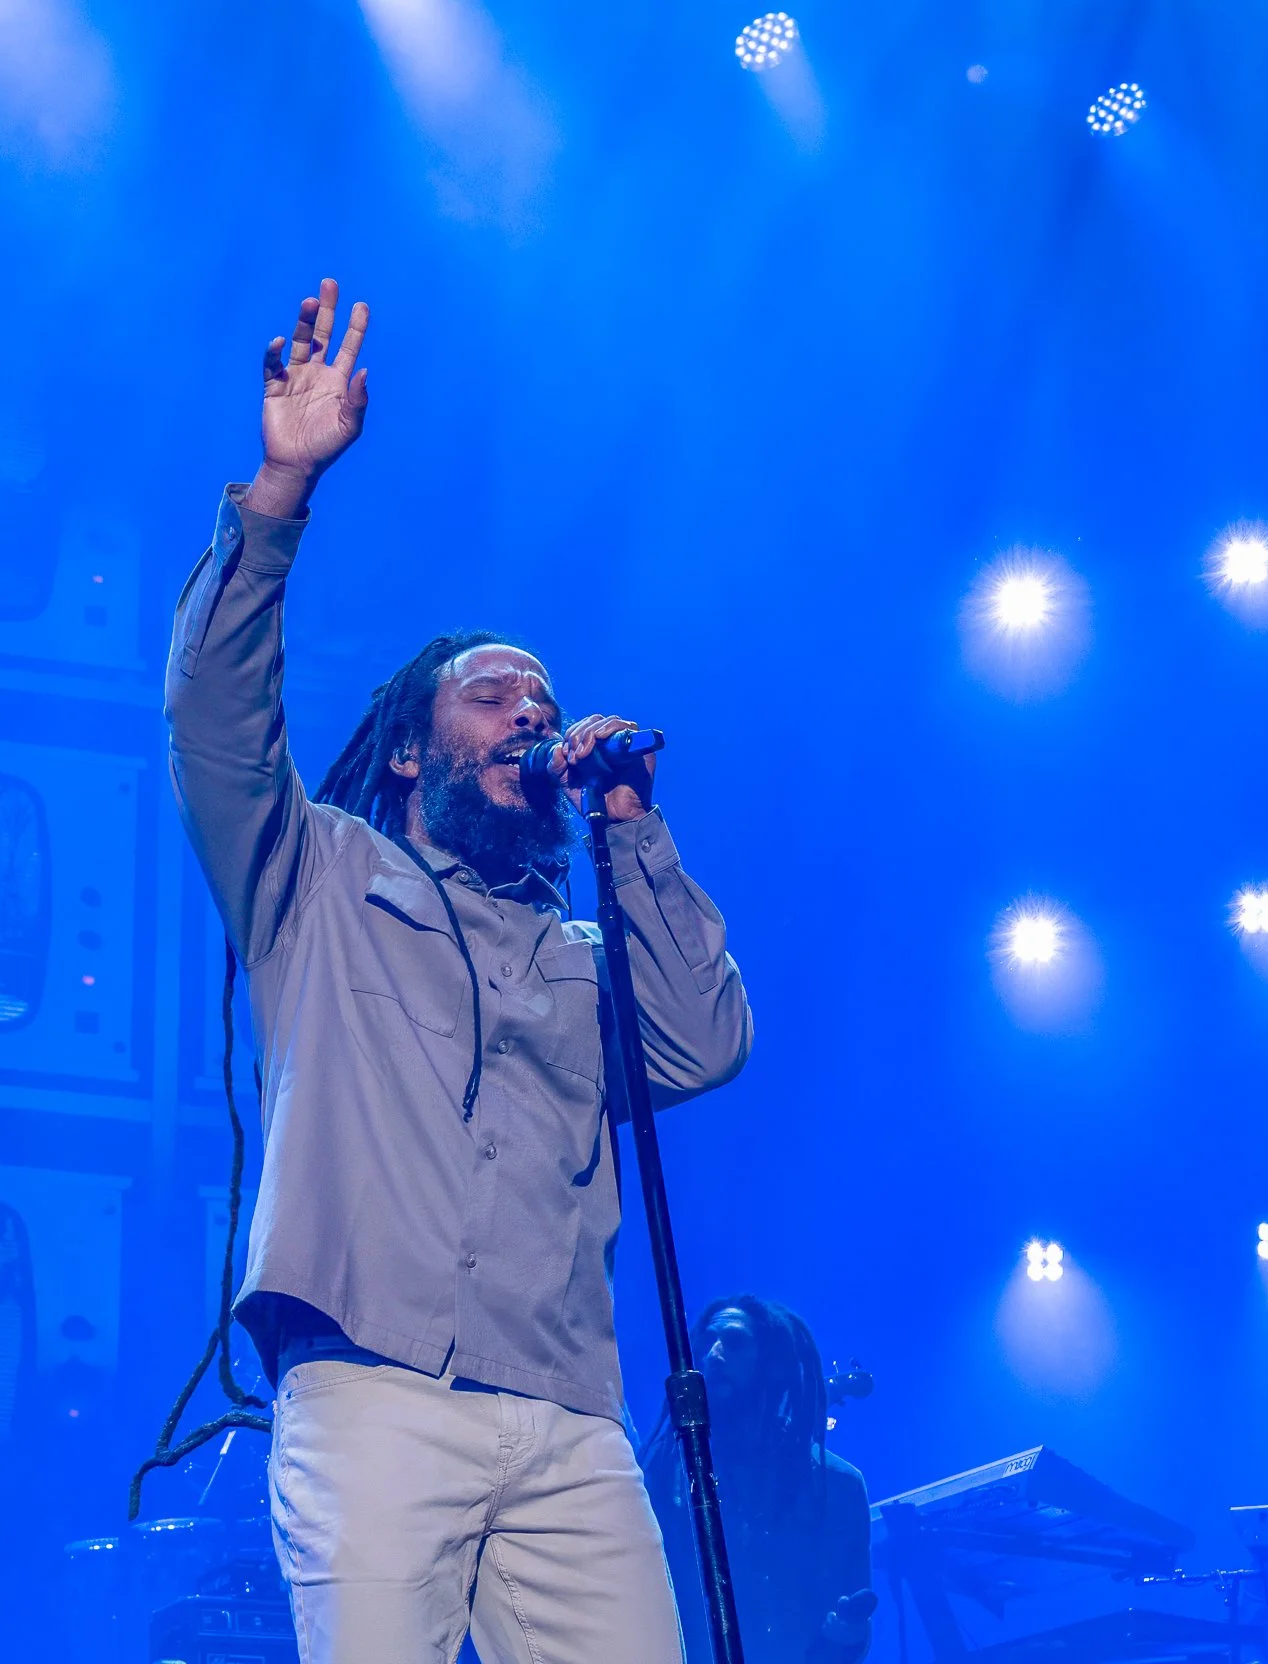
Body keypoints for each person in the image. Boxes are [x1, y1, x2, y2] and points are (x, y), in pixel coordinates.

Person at [165, 277, 754, 1664]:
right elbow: (211, 725)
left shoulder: (579, 947)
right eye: (495, 694)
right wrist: (281, 490)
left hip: (567, 1411)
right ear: (419, 749)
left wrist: (633, 827)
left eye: (542, 700)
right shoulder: (318, 879)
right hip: (374, 1391)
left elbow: (706, 1047)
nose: (532, 712)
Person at [642, 1296, 876, 1664]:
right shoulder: (660, 1476)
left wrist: (846, 1633)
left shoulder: (839, 1486)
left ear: (771, 1364)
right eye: (707, 1342)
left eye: (734, 1342)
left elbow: (849, 1633)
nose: (714, 1354)